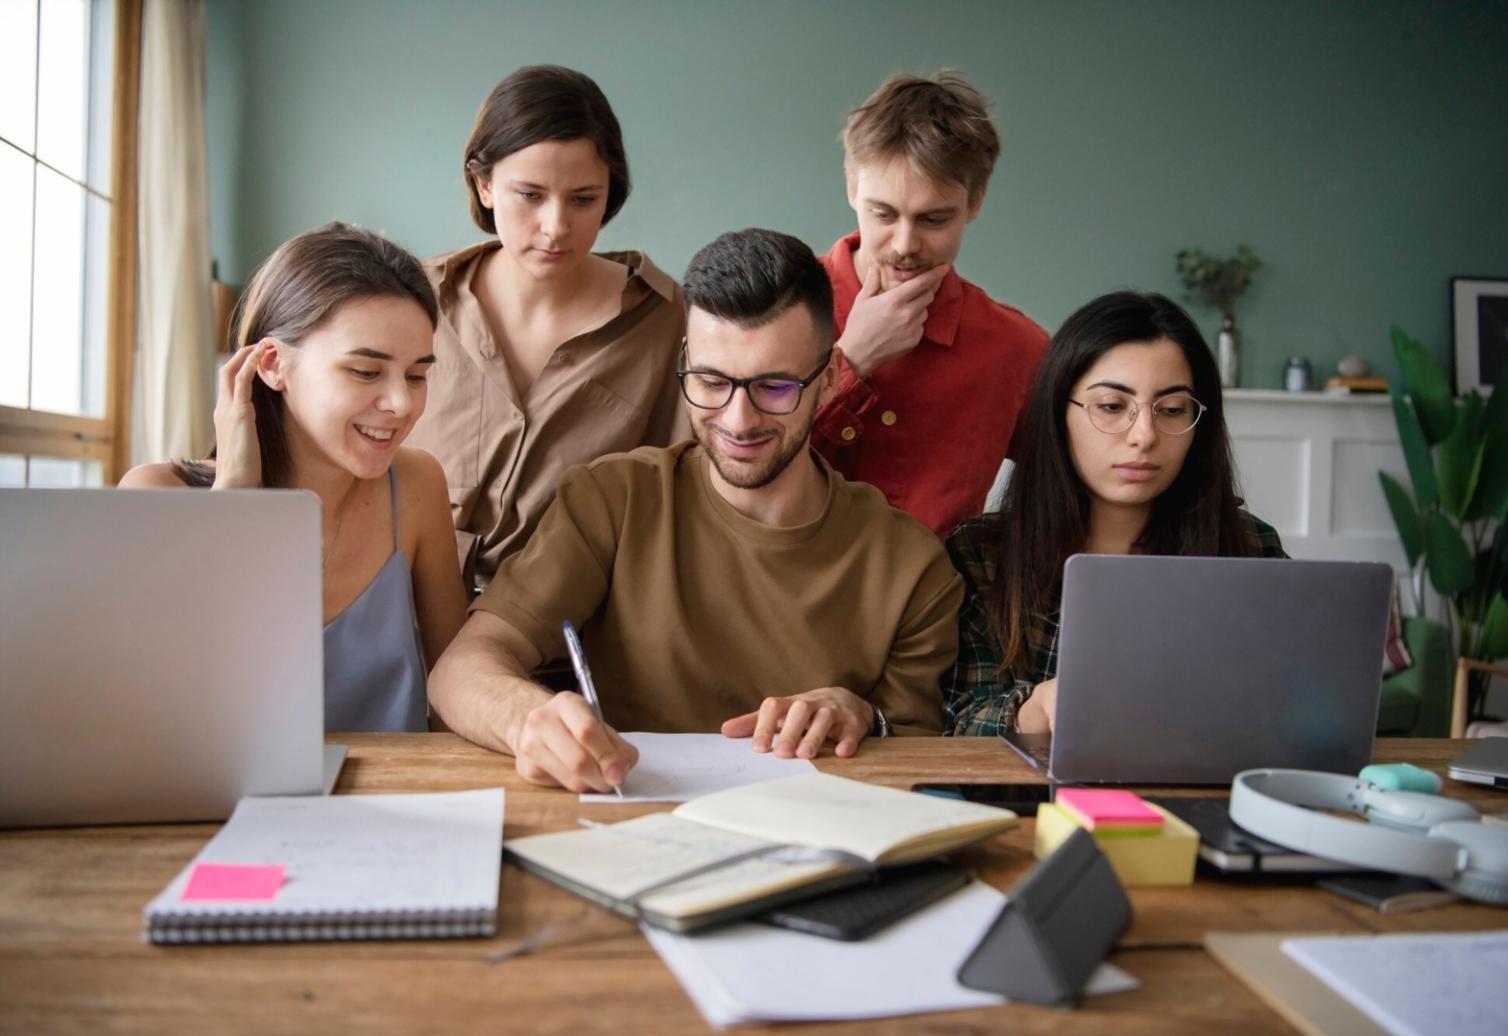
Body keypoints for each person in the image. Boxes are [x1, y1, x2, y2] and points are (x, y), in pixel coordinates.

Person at [427, 228, 962, 792]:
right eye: (710, 381)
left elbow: (917, 756)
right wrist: (527, 721)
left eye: (775, 387)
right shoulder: (613, 499)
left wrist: (862, 716)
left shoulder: (912, 568)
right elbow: (459, 671)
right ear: (685, 362)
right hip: (624, 824)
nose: (738, 420)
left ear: (828, 378)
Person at [120, 223, 467, 733]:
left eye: (417, 375)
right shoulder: (156, 496)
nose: (401, 404)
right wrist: (235, 500)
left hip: (396, 799)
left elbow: (458, 683)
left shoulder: (416, 485)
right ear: (272, 365)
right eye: (366, 372)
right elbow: (152, 717)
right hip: (220, 808)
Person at [942, 290, 1286, 736]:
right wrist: (1038, 708)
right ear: (1057, 412)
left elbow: (1291, 709)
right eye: (1111, 406)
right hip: (1035, 803)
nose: (1144, 435)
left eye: (1172, 409)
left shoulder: (1250, 547)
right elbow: (954, 725)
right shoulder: (980, 554)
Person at [405, 65, 688, 594]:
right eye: (530, 195)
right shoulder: (413, 299)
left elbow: (687, 501)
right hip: (399, 613)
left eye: (583, 199)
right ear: (483, 184)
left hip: (568, 635)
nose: (556, 227)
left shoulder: (666, 320)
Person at [813, 71, 1050, 538]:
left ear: (976, 201)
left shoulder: (1018, 350)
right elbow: (728, 480)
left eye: (934, 219)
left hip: (941, 607)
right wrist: (851, 362)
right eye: (883, 214)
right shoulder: (774, 312)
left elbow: (1072, 488)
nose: (905, 244)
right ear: (851, 189)